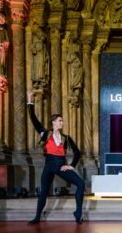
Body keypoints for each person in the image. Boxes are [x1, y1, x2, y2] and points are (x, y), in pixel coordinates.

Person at [27, 90, 85, 225]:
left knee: (81, 184)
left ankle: (78, 212)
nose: (62, 123)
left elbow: (77, 152)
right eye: (60, 121)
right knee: (43, 192)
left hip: (60, 164)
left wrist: (71, 165)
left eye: (62, 121)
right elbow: (33, 119)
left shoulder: (66, 138)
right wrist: (30, 100)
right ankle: (37, 217)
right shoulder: (45, 134)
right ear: (53, 122)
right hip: (49, 165)